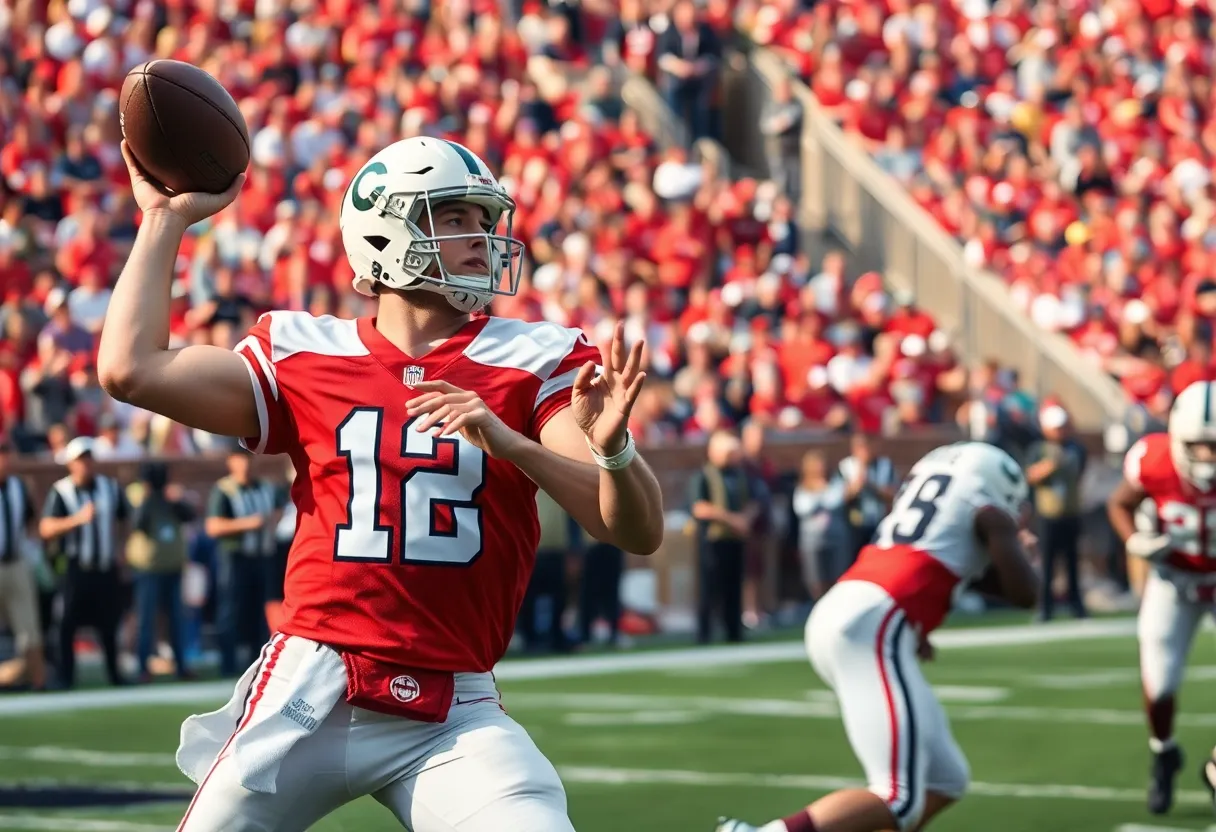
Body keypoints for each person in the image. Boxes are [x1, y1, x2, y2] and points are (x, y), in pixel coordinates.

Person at [97, 136, 664, 832]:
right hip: (311, 689)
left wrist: (570, 450)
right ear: (386, 229)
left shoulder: (532, 356)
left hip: (451, 708)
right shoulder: (305, 350)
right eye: (455, 217)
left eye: (485, 218)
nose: (483, 237)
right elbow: (130, 370)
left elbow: (635, 530)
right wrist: (164, 219)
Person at [715, 441, 1038, 832]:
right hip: (874, 625)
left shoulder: (933, 506)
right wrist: (1018, 551)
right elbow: (1027, 594)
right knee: (898, 796)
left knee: (945, 778)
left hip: (855, 610)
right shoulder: (988, 511)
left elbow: (948, 569)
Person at [1107, 380, 1216, 816]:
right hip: (1174, 578)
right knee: (1161, 682)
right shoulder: (1153, 461)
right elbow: (1119, 504)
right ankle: (1164, 752)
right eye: (1198, 446)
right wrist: (1134, 540)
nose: (1207, 458)